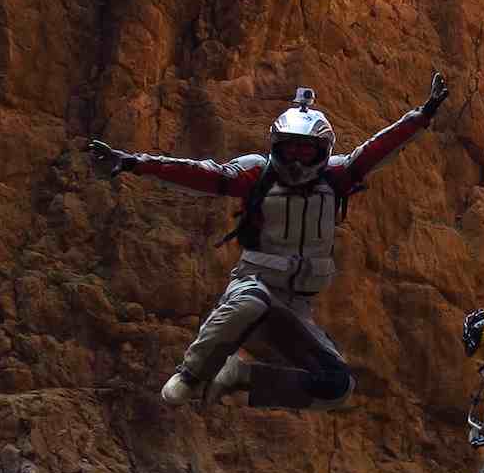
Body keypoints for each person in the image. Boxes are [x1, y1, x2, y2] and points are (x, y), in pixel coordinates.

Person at [88, 72, 449, 410]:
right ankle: (192, 373)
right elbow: (201, 173)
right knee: (251, 302)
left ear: (323, 151)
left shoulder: (337, 177)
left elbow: (376, 149)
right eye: (290, 150)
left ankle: (240, 376)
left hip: (295, 308)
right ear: (276, 146)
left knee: (337, 386)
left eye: (306, 152)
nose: (296, 162)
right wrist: (135, 162)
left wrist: (423, 115)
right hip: (253, 284)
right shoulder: (257, 174)